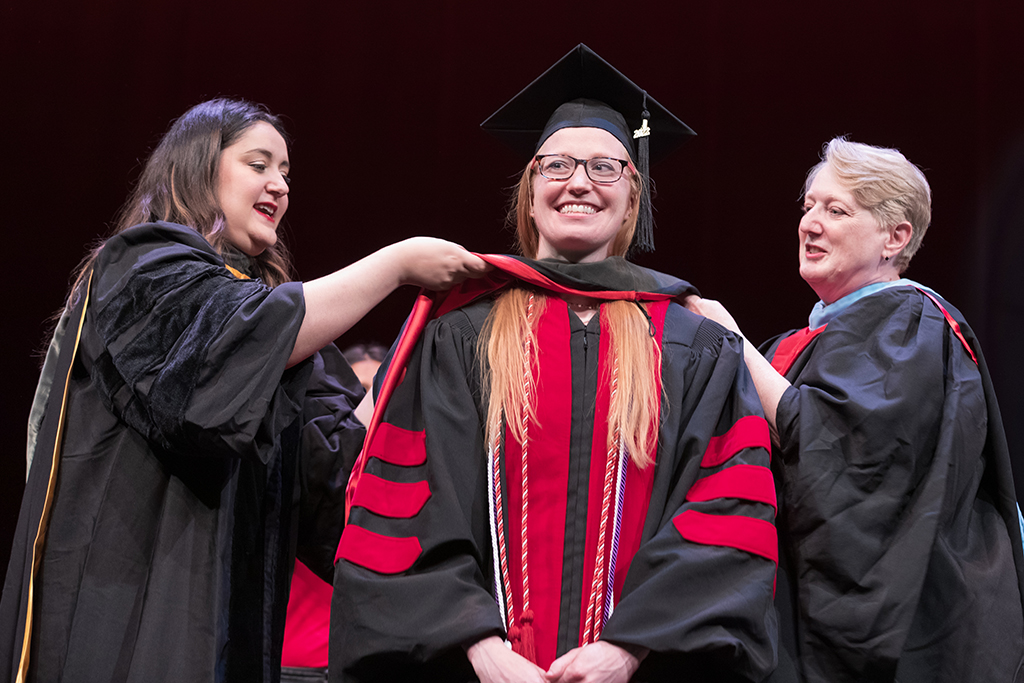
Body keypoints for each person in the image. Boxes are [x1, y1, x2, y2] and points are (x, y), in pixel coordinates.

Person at [0, 98, 488, 683]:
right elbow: (220, 357)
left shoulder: (272, 327)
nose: (279, 185)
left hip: (232, 626)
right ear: (200, 166)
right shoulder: (143, 267)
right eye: (259, 164)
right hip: (131, 601)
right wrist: (396, 264)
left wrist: (425, 351)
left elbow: (337, 470)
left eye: (285, 173)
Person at [333, 45, 779, 683]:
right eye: (558, 164)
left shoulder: (693, 344)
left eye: (605, 167)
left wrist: (628, 649)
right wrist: (481, 648)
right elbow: (411, 502)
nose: (579, 182)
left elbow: (726, 512)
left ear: (633, 195)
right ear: (530, 190)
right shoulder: (462, 336)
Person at [686, 138, 1024, 682]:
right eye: (808, 207)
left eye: (836, 210)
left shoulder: (911, 325)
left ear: (895, 237)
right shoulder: (803, 342)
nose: (810, 224)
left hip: (918, 633)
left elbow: (844, 459)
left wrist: (731, 340)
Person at [280, 344, 387, 683]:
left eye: (376, 390)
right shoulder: (305, 463)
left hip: (357, 666)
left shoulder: (389, 489)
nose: (370, 405)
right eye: (361, 391)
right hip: (289, 668)